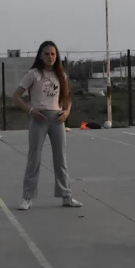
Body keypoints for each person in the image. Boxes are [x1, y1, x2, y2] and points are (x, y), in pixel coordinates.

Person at [12, 41, 82, 210]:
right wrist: (30, 111)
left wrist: (66, 112)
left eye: (52, 54)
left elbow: (67, 98)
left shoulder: (61, 75)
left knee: (60, 158)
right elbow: (16, 96)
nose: (50, 57)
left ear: (56, 56)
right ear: (40, 55)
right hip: (39, 118)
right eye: (46, 54)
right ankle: (27, 197)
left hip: (57, 118)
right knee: (34, 157)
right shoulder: (34, 74)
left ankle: (66, 195)